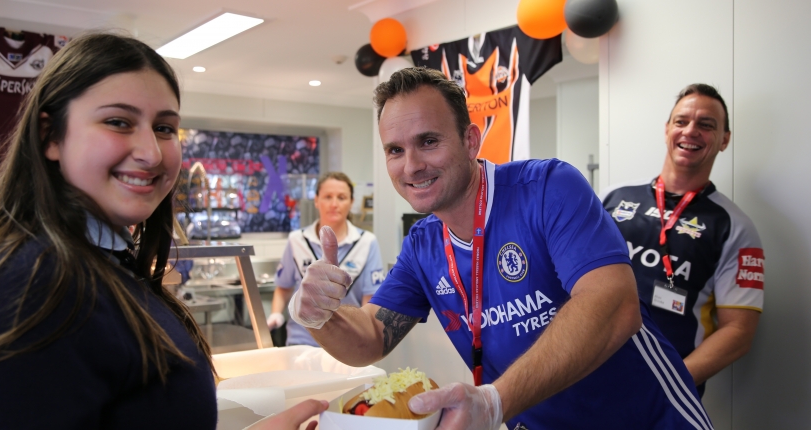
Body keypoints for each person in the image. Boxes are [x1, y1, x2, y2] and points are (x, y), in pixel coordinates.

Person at [288, 67, 713, 430]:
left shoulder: (546, 188)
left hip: (648, 419)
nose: (411, 165)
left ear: (471, 140)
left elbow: (615, 305)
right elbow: (372, 338)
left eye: (429, 141)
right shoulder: (423, 245)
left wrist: (494, 401)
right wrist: (320, 316)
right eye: (395, 150)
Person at [0, 32, 325, 430]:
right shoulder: (21, 284)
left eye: (165, 128)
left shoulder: (100, 263)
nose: (151, 153)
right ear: (50, 136)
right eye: (118, 122)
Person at [600, 83, 764, 398]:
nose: (691, 131)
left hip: (663, 397)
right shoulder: (611, 197)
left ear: (724, 139)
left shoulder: (735, 226)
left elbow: (739, 332)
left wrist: (669, 383)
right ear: (667, 131)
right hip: (589, 374)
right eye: (681, 121)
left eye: (706, 125)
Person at [267, 172, 384, 346]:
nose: (334, 204)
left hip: (347, 342)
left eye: (342, 197)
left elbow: (370, 299)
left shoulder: (367, 242)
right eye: (328, 197)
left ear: (351, 202)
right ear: (316, 200)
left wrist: (367, 335)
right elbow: (283, 288)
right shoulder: (297, 240)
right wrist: (276, 313)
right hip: (302, 341)